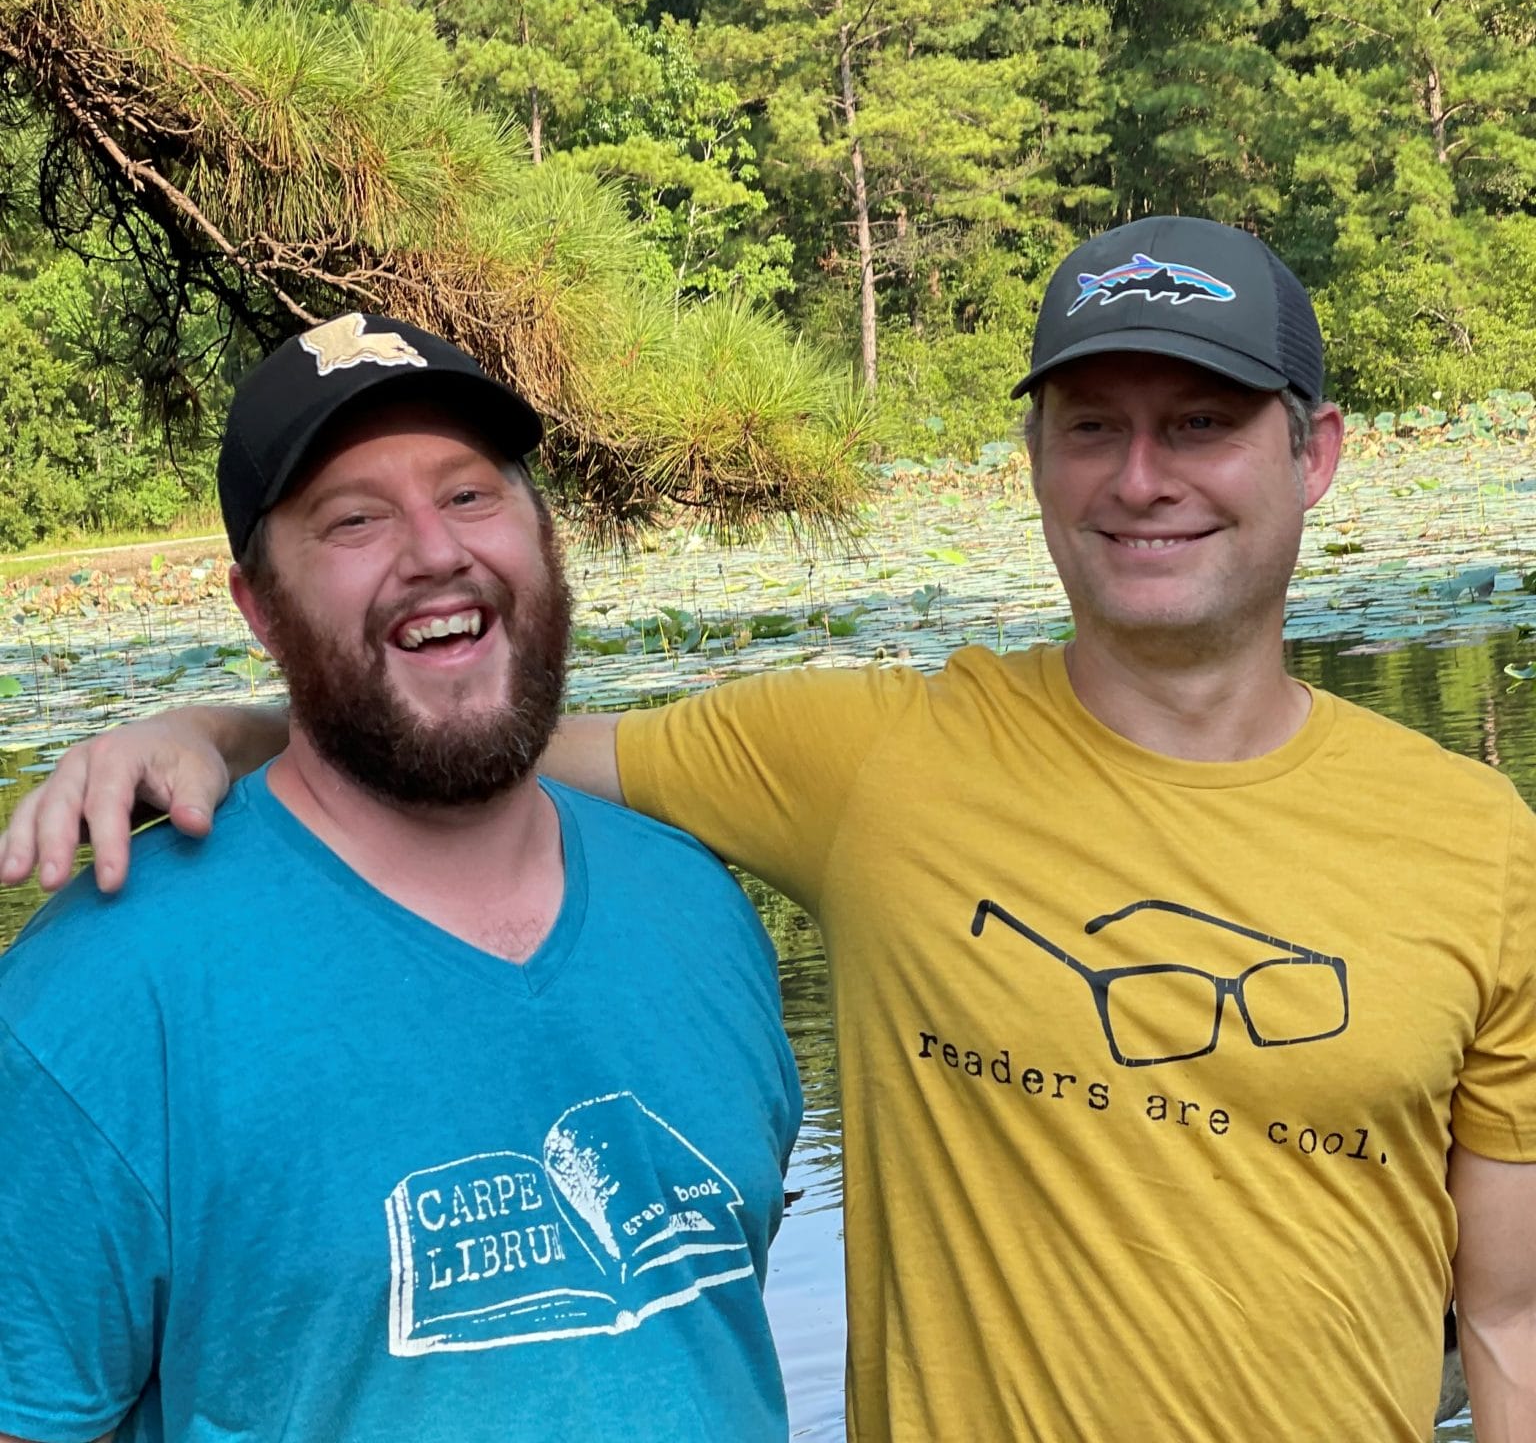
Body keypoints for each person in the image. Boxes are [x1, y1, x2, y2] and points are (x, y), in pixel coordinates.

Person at [5, 219, 1534, 1442]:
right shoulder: (864, 759)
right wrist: (205, 729)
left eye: (1200, 423)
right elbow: (438, 738)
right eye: (1092, 427)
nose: (1142, 478)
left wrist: (227, 724)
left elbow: (1513, 1323)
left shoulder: (1479, 849)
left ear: (1315, 453)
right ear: (1039, 461)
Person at [0, 314, 801, 1443]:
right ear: (259, 607)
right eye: (355, 520)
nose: (434, 552)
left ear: (542, 535)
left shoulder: (696, 905)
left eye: (470, 495)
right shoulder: (94, 1001)